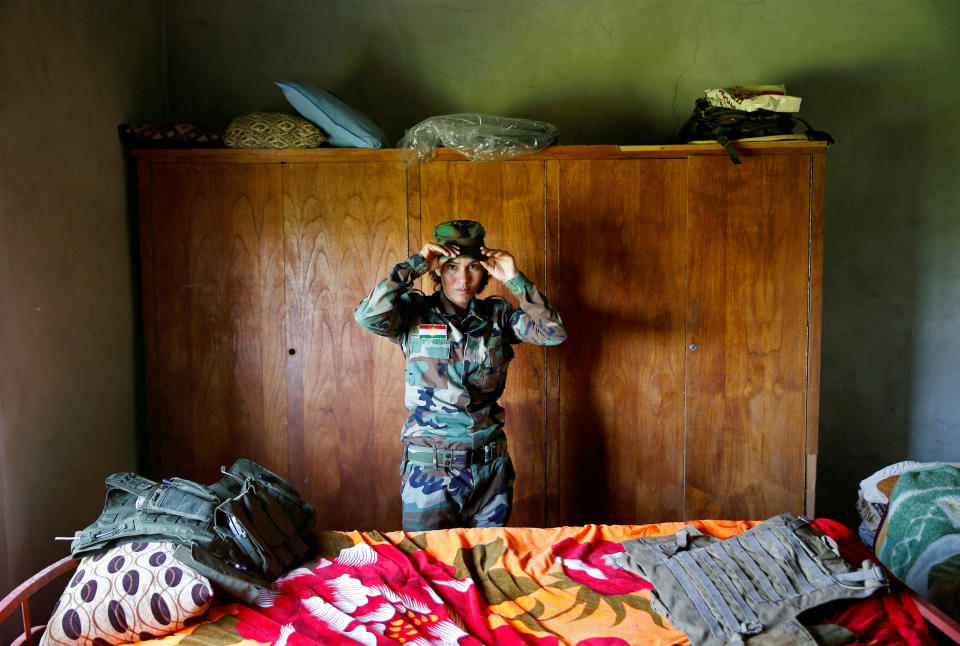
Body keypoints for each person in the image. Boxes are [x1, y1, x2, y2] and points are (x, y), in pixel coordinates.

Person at [354, 220, 567, 531]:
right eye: (452, 266)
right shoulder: (412, 312)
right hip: (431, 474)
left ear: (485, 270)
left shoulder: (499, 316)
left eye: (473, 267)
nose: (463, 278)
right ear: (438, 268)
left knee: (489, 571)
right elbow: (367, 316)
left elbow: (554, 333)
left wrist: (516, 280)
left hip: (490, 473)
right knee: (429, 570)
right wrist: (412, 266)